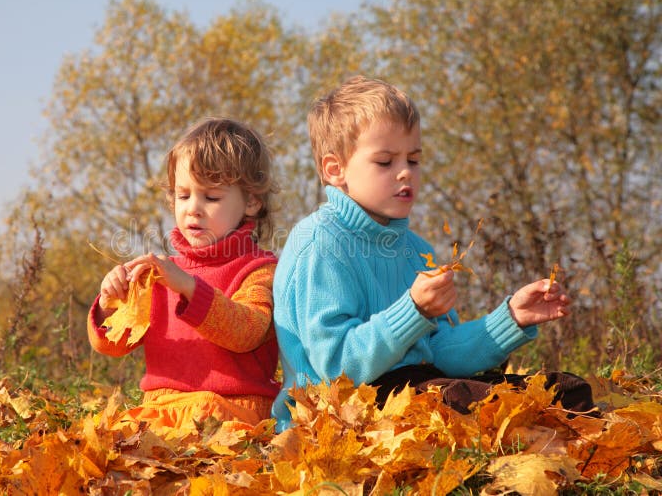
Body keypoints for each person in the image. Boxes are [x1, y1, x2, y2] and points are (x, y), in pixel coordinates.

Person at [271, 76, 594, 431]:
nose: (405, 172)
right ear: (336, 170)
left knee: (566, 392)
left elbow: (440, 352)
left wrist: (511, 319)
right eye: (385, 162)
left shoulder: (415, 250)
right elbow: (336, 368)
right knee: (458, 399)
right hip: (339, 413)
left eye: (414, 159)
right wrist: (413, 310)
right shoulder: (320, 243)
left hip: (418, 387)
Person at [87, 117, 280, 432]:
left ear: (251, 201)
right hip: (162, 409)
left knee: (206, 426)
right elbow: (113, 344)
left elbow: (247, 331)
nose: (193, 208)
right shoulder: (160, 272)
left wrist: (189, 288)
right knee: (109, 437)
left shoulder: (258, 269)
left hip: (231, 411)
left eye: (212, 197)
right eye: (183, 195)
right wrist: (110, 303)